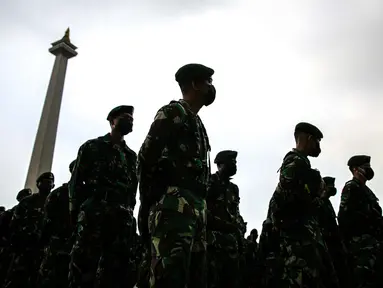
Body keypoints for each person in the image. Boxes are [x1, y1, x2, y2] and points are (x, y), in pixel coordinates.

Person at [138, 63, 215, 288]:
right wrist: (149, 201)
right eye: (208, 82)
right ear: (195, 84)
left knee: (194, 279)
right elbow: (146, 158)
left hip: (196, 210)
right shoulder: (173, 113)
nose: (212, 87)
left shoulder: (197, 123)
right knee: (167, 277)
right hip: (173, 207)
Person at [69, 105, 138, 288]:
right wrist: (77, 213)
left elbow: (133, 190)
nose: (130, 121)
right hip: (95, 214)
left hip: (122, 220)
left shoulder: (131, 156)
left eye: (132, 118)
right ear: (112, 121)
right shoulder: (92, 147)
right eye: (125, 117)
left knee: (116, 273)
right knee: (84, 270)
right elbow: (76, 183)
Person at [267, 122, 339, 287]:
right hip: (297, 242)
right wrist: (319, 196)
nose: (318, 146)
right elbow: (292, 204)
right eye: (317, 141)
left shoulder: (302, 164)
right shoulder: (296, 163)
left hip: (303, 239)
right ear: (308, 139)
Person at [338, 155, 383, 288]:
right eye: (365, 168)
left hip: (373, 246)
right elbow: (345, 218)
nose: (368, 171)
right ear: (355, 169)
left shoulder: (367, 191)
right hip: (359, 247)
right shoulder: (351, 187)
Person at [5, 172, 55, 288]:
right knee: (17, 277)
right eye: (45, 182)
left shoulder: (54, 202)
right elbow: (14, 223)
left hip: (43, 248)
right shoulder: (27, 202)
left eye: (50, 183)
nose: (48, 185)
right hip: (24, 247)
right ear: (38, 184)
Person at [38, 160, 76, 287]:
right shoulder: (59, 194)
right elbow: (47, 223)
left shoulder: (94, 195)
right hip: (58, 250)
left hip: (81, 254)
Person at [206, 150, 241, 288]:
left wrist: (238, 228)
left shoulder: (234, 189)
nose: (234, 164)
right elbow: (204, 212)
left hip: (231, 246)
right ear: (220, 164)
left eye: (235, 162)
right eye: (231, 161)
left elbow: (236, 213)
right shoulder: (211, 182)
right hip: (214, 244)